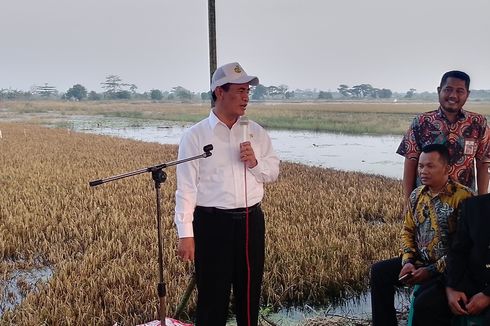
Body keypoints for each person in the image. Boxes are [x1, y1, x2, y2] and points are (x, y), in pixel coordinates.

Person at [174, 62, 280, 326]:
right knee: (212, 296)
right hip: (212, 223)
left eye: (248, 91)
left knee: (249, 294)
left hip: (250, 221)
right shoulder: (195, 136)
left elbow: (273, 171)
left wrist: (255, 163)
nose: (246, 97)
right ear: (219, 92)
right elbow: (186, 187)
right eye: (239, 90)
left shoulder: (255, 131)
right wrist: (185, 233)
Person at [370, 144, 473, 325]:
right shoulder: (417, 195)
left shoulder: (464, 198)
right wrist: (408, 261)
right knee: (379, 273)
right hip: (420, 262)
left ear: (447, 168)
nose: (423, 171)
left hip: (450, 269)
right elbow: (407, 230)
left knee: (424, 302)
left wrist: (430, 271)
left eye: (430, 166)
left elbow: (465, 248)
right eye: (420, 166)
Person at [397, 70, 490, 200]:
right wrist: (408, 202)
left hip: (465, 202)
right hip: (427, 202)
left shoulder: (478, 123)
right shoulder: (421, 122)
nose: (453, 95)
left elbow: (483, 163)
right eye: (448, 89)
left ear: (467, 95)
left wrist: (482, 202)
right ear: (439, 90)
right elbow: (411, 161)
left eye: (459, 91)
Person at [445, 193, 490, 324]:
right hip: (472, 282)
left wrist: (488, 295)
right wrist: (452, 286)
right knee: (426, 304)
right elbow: (458, 251)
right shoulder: (473, 206)